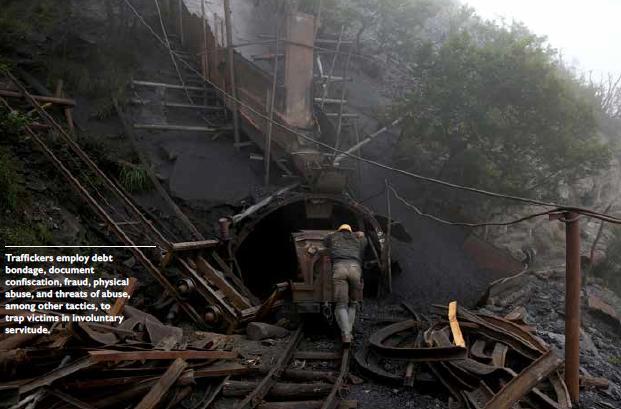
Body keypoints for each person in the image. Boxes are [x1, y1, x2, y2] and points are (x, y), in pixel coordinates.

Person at [323, 224, 367, 344]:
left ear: (339, 230)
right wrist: (359, 234)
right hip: (355, 269)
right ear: (350, 231)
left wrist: (333, 234)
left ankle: (346, 335)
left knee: (341, 305)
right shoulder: (357, 238)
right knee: (353, 303)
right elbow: (364, 242)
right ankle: (349, 331)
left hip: (339, 269)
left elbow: (325, 242)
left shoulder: (333, 237)